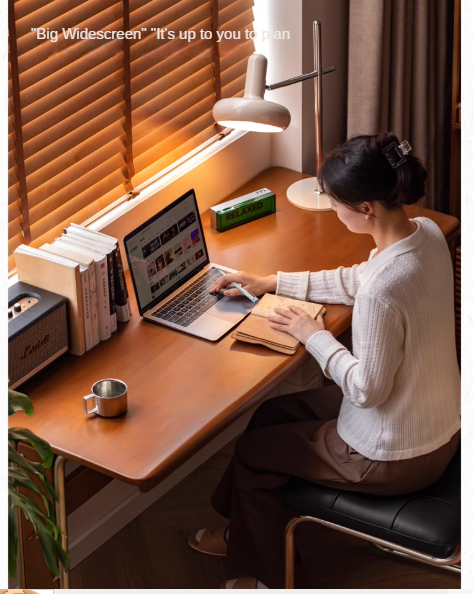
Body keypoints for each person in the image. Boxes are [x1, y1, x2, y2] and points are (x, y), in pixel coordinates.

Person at [187, 132, 461, 589]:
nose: (333, 212)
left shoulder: (382, 293)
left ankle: (264, 575)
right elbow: (358, 279)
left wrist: (313, 336)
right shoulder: (427, 235)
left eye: (335, 204)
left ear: (366, 207)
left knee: (252, 455)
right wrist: (270, 281)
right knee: (272, 413)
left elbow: (365, 389)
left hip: (394, 453)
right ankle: (245, 532)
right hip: (435, 422)